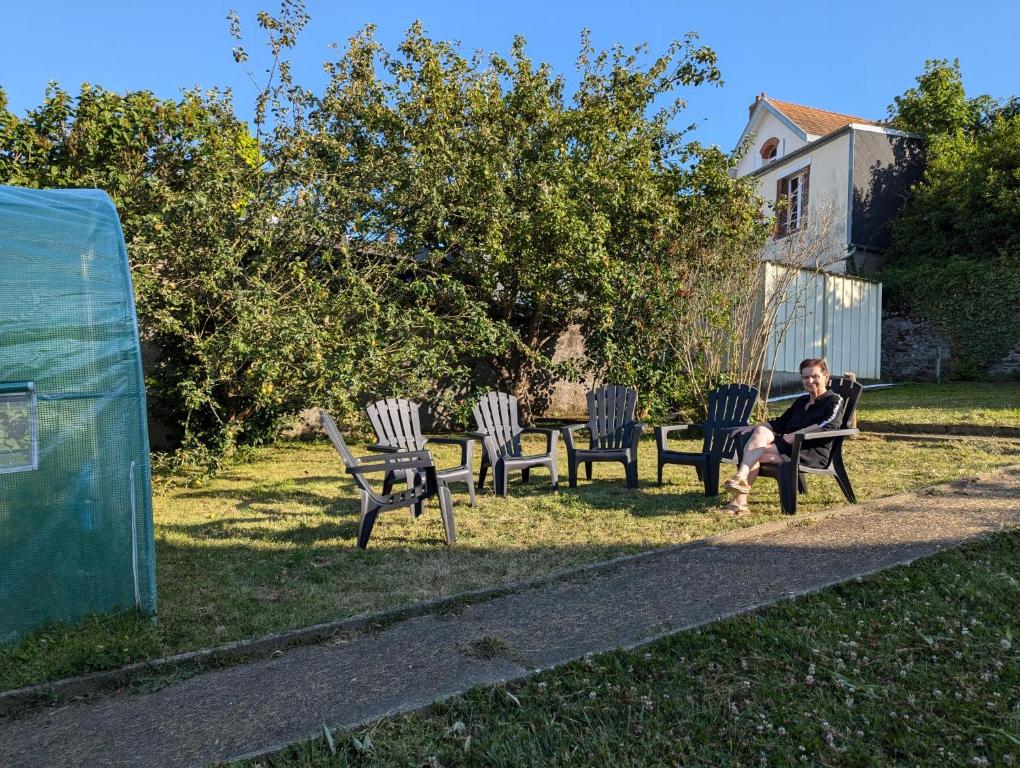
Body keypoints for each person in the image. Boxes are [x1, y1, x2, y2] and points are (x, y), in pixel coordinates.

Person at [722, 358, 844, 515]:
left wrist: (797, 434)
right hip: (786, 445)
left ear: (826, 376)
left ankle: (739, 500)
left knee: (753, 454)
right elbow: (781, 423)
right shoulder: (801, 401)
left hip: (811, 450)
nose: (810, 380)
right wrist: (752, 427)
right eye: (805, 377)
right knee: (760, 433)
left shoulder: (834, 400)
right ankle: (741, 478)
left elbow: (829, 424)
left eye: (815, 376)